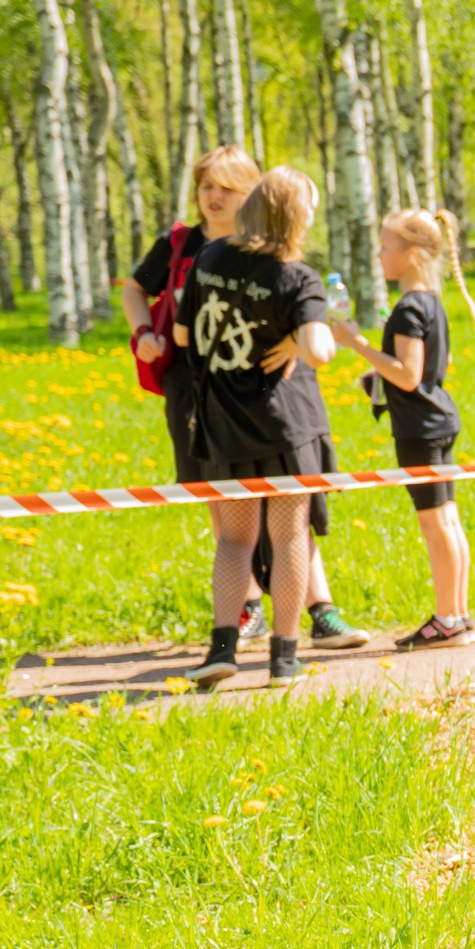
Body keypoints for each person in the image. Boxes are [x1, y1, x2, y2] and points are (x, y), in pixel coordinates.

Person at [122, 146, 366, 655]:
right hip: (239, 406)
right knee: (262, 522)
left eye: (227, 188)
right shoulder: (204, 251)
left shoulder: (234, 256)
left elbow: (195, 336)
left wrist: (287, 339)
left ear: (252, 198)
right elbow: (321, 349)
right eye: (206, 186)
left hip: (251, 403)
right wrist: (143, 333)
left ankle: (274, 628)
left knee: (266, 526)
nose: (213, 197)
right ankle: (268, 634)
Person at [173, 168, 341, 688]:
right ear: (297, 218)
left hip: (224, 424)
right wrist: (293, 341)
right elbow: (320, 350)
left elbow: (182, 335)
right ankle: (283, 658)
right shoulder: (297, 277)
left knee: (233, 539)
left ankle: (222, 648)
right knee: (288, 535)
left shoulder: (210, 257)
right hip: (283, 426)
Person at [329, 208, 475, 648]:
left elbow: (409, 375)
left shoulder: (409, 306)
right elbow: (438, 362)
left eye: (385, 247)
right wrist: (379, 374)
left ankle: (447, 620)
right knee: (448, 520)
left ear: (412, 254)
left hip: (419, 430)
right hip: (438, 421)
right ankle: (458, 615)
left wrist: (357, 343)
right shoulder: (431, 301)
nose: (379, 255)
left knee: (436, 526)